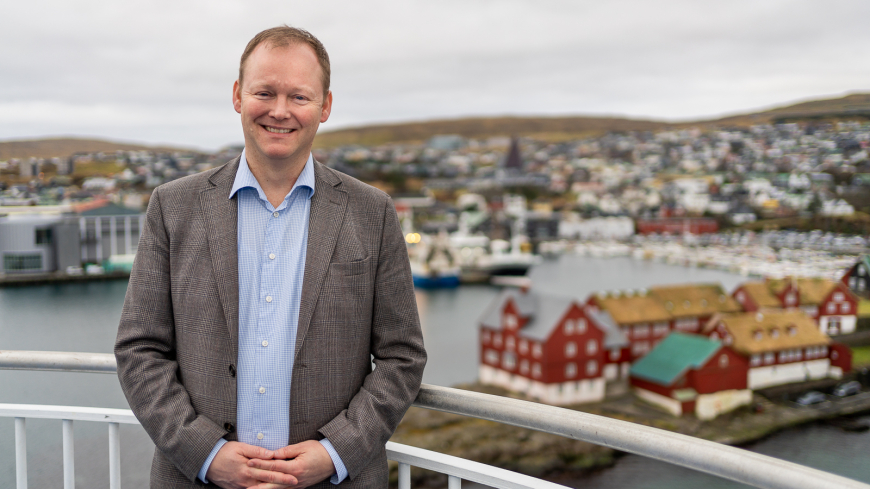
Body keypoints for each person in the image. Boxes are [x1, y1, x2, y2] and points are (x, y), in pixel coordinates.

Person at [115, 25, 426, 489]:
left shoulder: (373, 212)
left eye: (299, 96)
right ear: (238, 96)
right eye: (265, 92)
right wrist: (204, 453)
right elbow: (139, 349)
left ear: (325, 106)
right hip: (197, 480)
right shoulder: (172, 206)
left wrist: (336, 451)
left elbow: (402, 357)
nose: (280, 111)